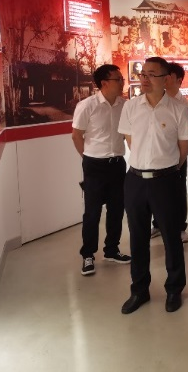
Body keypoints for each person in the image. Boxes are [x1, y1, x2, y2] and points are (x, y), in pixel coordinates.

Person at [118, 57, 188, 314]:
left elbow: (184, 148)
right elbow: (130, 141)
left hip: (166, 181)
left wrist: (166, 169)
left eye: (151, 74)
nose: (144, 78)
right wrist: (145, 165)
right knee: (138, 238)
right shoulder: (131, 107)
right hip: (135, 180)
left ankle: (174, 289)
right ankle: (139, 290)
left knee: (171, 237)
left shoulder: (178, 109)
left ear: (166, 78)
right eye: (143, 73)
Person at [71, 64, 131, 276]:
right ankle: (88, 254)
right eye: (118, 79)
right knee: (92, 212)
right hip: (94, 165)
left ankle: (111, 250)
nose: (122, 82)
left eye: (122, 79)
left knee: (117, 209)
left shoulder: (125, 105)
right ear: (104, 83)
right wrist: (88, 157)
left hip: (117, 164)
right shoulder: (87, 106)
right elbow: (76, 135)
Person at [150, 62, 188, 243]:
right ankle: (158, 224)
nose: (165, 80)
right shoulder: (158, 100)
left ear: (179, 81)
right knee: (157, 192)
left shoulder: (184, 105)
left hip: (177, 156)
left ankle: (180, 227)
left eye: (169, 77)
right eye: (164, 76)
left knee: (178, 192)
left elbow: (183, 138)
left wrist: (178, 162)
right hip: (159, 156)